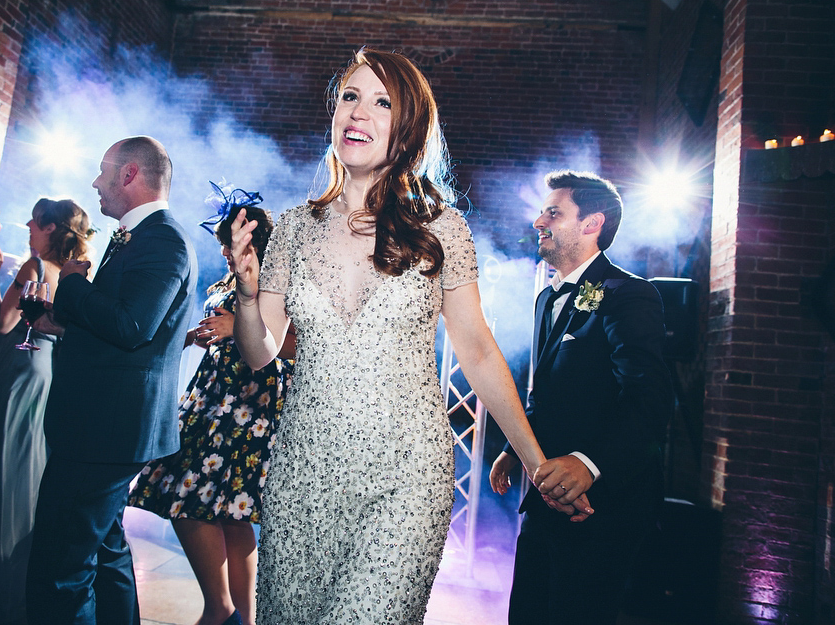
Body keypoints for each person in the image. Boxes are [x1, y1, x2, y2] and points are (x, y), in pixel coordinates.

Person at [226, 48, 590, 624]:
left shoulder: (443, 229)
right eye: (349, 96)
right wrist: (247, 299)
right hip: (303, 475)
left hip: (406, 478)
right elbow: (259, 353)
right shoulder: (294, 227)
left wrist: (535, 461)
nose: (358, 113)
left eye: (382, 102)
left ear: (410, 126)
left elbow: (477, 351)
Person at [25, 136, 199, 625]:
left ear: (130, 175)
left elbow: (133, 325)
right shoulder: (137, 237)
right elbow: (117, 328)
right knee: (105, 551)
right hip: (103, 423)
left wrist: (73, 284)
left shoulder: (162, 238)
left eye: (103, 171)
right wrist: (64, 324)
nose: (95, 182)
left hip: (106, 429)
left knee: (62, 566)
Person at [489, 170, 674, 625]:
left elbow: (650, 401)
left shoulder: (629, 295)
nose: (538, 221)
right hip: (544, 497)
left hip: (602, 510)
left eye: (553, 212)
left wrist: (589, 464)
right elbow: (549, 392)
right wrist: (516, 449)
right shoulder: (545, 299)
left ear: (592, 224)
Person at [129, 189, 294, 625]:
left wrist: (236, 324)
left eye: (231, 240)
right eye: (222, 241)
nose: (224, 249)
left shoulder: (281, 280)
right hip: (212, 399)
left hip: (248, 408)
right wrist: (194, 336)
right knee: (227, 512)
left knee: (197, 501)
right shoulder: (229, 279)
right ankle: (237, 615)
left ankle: (222, 608)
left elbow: (299, 342)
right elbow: (220, 329)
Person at [0, 198, 94, 624]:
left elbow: (0, 322)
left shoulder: (34, 267)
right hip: (44, 372)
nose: (27, 224)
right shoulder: (74, 274)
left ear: (48, 227)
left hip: (12, 370)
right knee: (24, 470)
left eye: (34, 220)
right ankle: (18, 577)